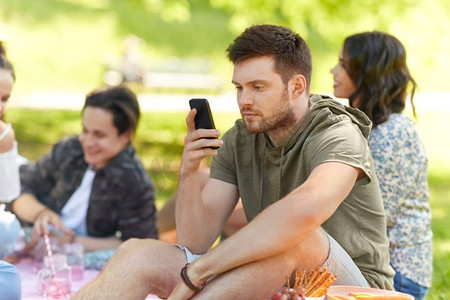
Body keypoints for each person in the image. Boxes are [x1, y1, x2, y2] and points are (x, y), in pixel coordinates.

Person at [74, 24, 394, 300]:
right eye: (239, 87)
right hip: (268, 276)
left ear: (296, 86)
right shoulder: (241, 138)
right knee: (137, 252)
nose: (244, 100)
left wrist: (197, 273)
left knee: (300, 236)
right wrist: (189, 173)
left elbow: (304, 212)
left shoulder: (338, 132)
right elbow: (195, 240)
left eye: (258, 87)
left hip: (351, 288)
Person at [330, 31, 432, 300]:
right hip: (367, 259)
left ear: (367, 70)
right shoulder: (363, 127)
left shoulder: (394, 132)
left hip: (397, 274)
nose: (333, 70)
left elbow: (374, 215)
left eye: (343, 63)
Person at [10, 85, 158, 255]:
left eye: (99, 135)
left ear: (126, 135)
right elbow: (18, 188)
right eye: (85, 130)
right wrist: (42, 214)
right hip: (30, 248)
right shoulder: (70, 150)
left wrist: (71, 241)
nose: (87, 141)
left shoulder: (134, 181)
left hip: (87, 263)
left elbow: (140, 243)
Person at [0, 41, 21, 300]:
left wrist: (5, 151)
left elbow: (7, 195)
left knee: (9, 281)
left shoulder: (4, 135)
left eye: (4, 99)